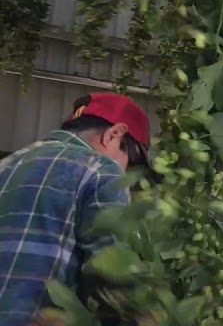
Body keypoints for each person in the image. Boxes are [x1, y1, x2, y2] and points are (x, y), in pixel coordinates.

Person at [0, 93, 151, 326]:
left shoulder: (7, 165)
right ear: (114, 135)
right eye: (131, 165)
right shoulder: (102, 169)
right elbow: (112, 275)